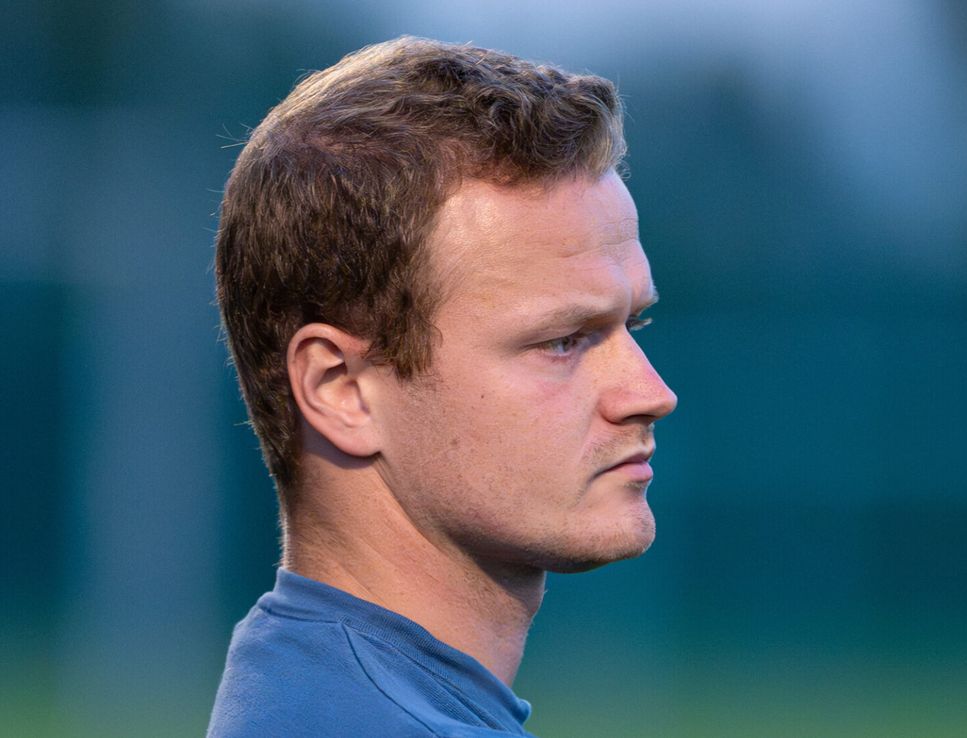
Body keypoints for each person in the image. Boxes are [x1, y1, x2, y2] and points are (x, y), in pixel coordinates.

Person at [207, 36, 678, 737]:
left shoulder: (304, 686)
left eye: (632, 325)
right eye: (561, 341)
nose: (648, 392)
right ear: (341, 388)